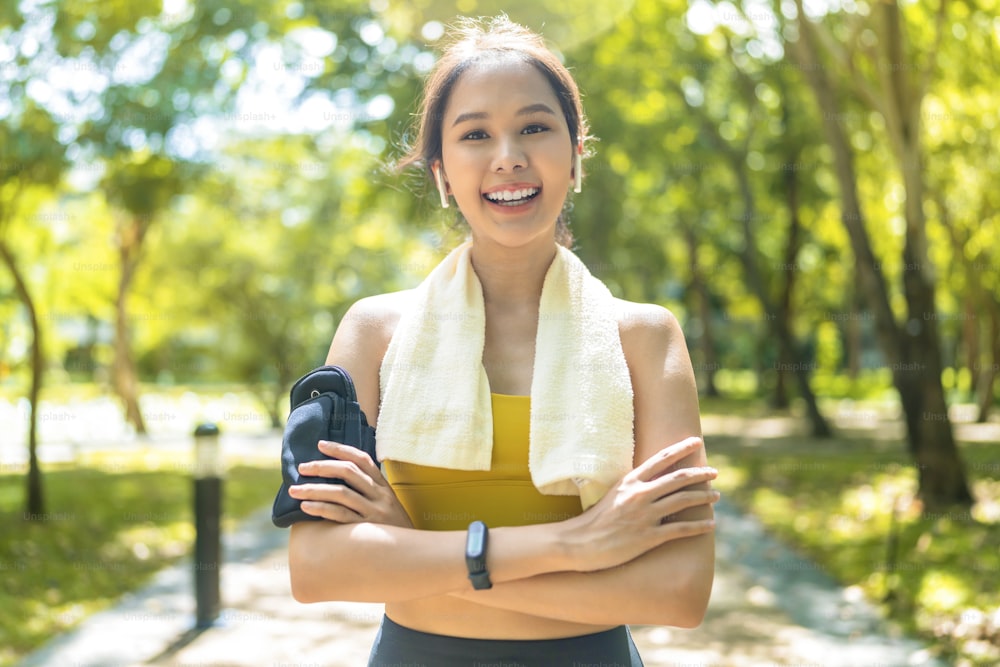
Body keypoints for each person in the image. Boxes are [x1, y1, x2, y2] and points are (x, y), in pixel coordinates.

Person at [286, 15, 718, 666]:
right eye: (475, 134)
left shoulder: (645, 339)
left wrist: (412, 552)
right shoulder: (373, 334)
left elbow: (679, 591)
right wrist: (572, 545)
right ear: (441, 172)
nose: (508, 155)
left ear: (577, 158)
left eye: (535, 127)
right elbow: (317, 567)